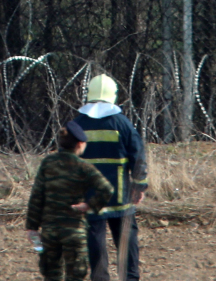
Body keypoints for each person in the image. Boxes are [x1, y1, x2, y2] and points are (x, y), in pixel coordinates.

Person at [73, 75, 149, 281]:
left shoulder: (77, 124)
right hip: (121, 194)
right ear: (113, 96)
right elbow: (138, 155)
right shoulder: (122, 123)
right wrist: (139, 185)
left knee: (95, 240)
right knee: (126, 240)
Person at [25, 121, 114, 281]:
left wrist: (32, 227)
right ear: (80, 144)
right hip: (74, 230)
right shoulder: (83, 167)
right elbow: (107, 189)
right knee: (75, 276)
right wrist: (89, 205)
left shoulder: (48, 163)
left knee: (51, 275)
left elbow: (37, 196)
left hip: (50, 230)